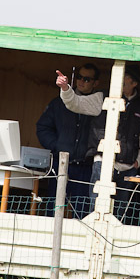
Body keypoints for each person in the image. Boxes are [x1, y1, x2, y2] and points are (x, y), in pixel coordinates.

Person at [56, 64, 140, 222]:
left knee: (120, 217)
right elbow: (76, 103)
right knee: (96, 211)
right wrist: (65, 88)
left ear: (134, 83)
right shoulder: (102, 97)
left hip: (127, 168)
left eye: (124, 78)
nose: (119, 81)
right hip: (102, 163)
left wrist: (138, 161)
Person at [36, 63, 100, 218]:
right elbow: (42, 127)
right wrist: (57, 146)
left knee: (82, 213)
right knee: (54, 208)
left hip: (85, 167)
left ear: (95, 83)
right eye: (79, 77)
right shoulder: (58, 103)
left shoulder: (99, 105)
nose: (81, 81)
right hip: (60, 164)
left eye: (86, 79)